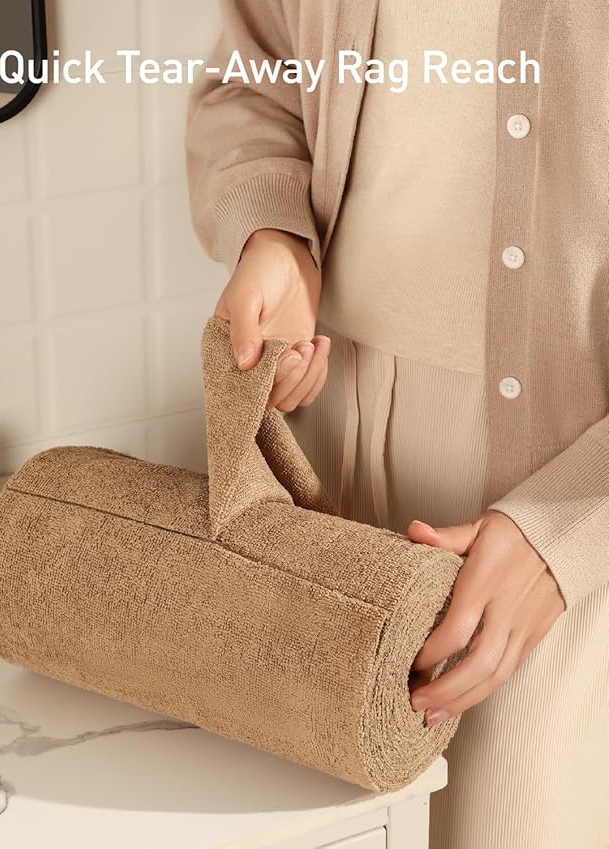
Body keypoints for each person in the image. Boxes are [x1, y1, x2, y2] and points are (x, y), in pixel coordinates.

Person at [185, 3, 609, 847]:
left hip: (565, 506)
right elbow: (254, 77)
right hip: (320, 446)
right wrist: (274, 235)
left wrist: (572, 525)